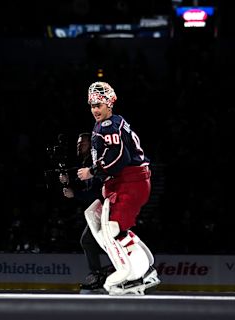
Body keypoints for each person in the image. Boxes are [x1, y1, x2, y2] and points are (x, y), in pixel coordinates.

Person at [77, 81, 160, 295]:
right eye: (92, 105)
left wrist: (92, 172)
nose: (95, 109)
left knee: (113, 229)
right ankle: (145, 271)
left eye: (99, 105)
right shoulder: (107, 124)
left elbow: (120, 158)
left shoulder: (109, 126)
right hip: (127, 183)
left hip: (131, 182)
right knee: (116, 230)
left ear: (109, 105)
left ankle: (134, 275)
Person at [59, 133, 113, 293]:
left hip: (106, 207)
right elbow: (80, 175)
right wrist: (69, 176)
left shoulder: (94, 163)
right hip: (100, 208)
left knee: (90, 241)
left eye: (82, 143)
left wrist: (74, 194)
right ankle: (101, 274)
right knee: (94, 241)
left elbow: (95, 191)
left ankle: (101, 274)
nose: (79, 146)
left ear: (90, 144)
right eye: (78, 143)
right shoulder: (85, 162)